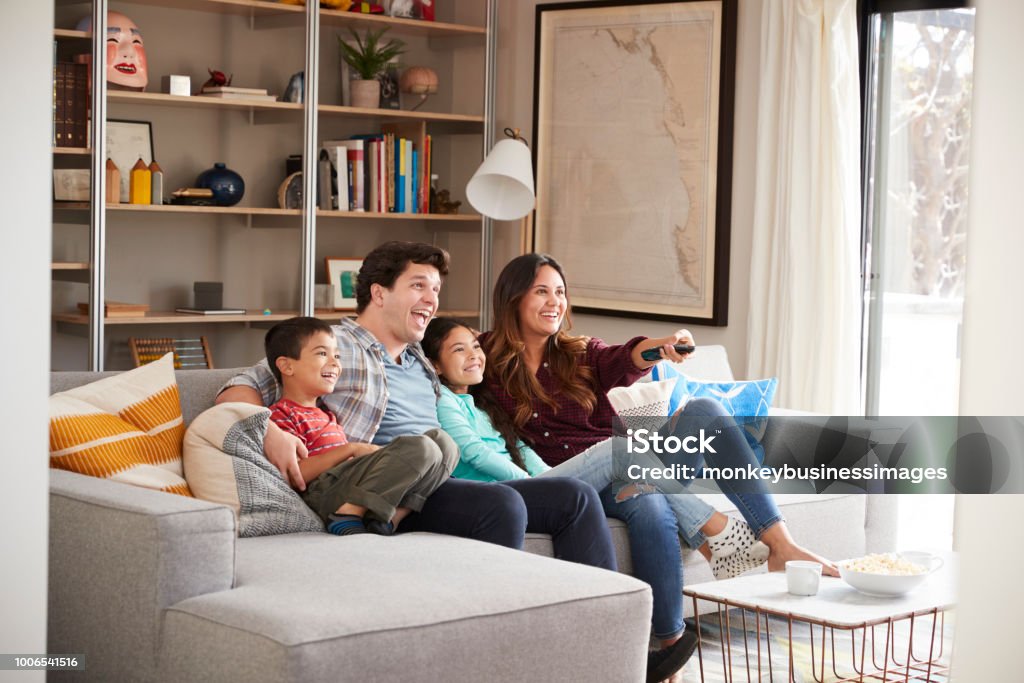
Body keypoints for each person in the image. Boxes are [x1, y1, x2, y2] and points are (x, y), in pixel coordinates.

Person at [218, 241, 695, 682]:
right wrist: (270, 428)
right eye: (419, 286)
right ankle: (501, 657)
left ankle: (610, 650)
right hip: (379, 488)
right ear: (379, 294)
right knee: (502, 507)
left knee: (571, 496)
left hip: (437, 480)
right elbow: (244, 384)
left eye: (436, 289)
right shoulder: (335, 343)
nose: (431, 299)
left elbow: (485, 390)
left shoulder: (421, 361)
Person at [478, 254, 840, 651]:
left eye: (560, 292)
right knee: (649, 503)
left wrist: (664, 347)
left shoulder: (580, 353)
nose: (554, 302)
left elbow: (632, 356)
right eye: (542, 291)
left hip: (631, 464)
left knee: (703, 413)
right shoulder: (483, 358)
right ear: (513, 298)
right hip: (574, 484)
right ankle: (671, 642)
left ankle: (780, 544)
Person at [423, 315, 769, 575]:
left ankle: (717, 546)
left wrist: (552, 478)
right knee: (618, 452)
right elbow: (474, 452)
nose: (474, 355)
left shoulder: (479, 405)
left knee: (636, 458)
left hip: (535, 483)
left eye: (475, 346)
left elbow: (519, 448)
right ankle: (718, 530)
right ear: (436, 365)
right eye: (459, 350)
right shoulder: (444, 403)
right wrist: (531, 483)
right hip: (508, 493)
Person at [265, 316, 458, 536]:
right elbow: (295, 474)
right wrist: (351, 449)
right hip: (324, 493)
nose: (335, 363)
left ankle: (393, 517)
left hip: (352, 481)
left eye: (337, 355)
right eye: (322, 353)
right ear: (286, 366)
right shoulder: (281, 414)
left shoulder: (327, 414)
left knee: (444, 443)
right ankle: (348, 513)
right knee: (422, 447)